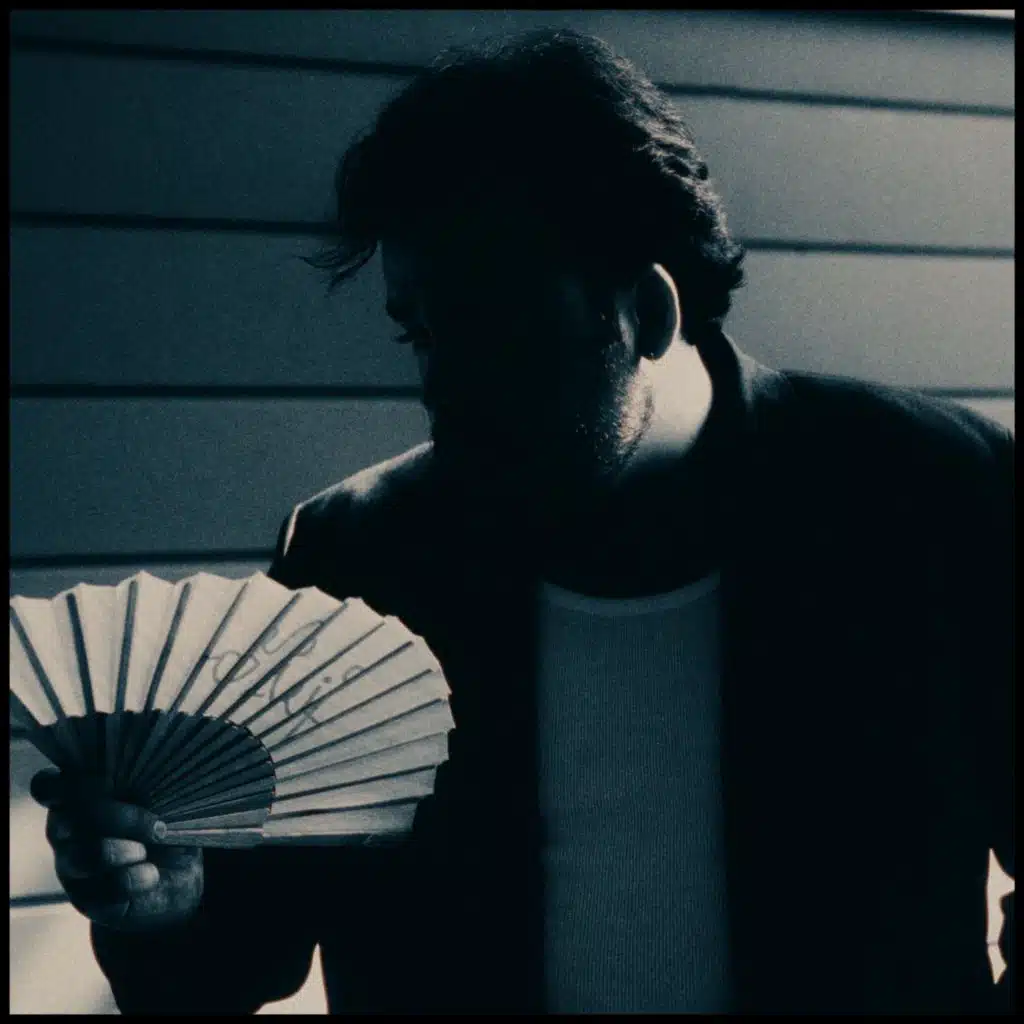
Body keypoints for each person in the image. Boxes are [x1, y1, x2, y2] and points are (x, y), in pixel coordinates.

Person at [30, 28, 1013, 1014]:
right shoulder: (360, 559)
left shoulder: (929, 497)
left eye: (494, 331)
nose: (444, 388)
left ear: (646, 311)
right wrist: (156, 906)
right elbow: (242, 954)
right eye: (421, 335)